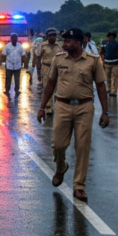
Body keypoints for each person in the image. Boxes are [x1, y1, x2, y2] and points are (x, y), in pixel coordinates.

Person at [37, 27, 108, 202]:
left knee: (82, 147)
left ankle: (79, 187)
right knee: (58, 145)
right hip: (62, 105)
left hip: (85, 107)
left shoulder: (92, 61)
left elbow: (100, 86)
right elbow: (51, 83)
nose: (65, 44)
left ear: (78, 42)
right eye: (64, 41)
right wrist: (42, 107)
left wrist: (105, 112)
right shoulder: (59, 58)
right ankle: (61, 168)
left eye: (68, 41)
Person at [35, 28, 62, 114]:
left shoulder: (59, 46)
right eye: (50, 35)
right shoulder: (42, 45)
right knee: (47, 88)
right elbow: (38, 58)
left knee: (57, 88)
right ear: (47, 36)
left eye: (54, 35)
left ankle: (57, 107)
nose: (52, 37)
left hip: (57, 69)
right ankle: (48, 108)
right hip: (46, 68)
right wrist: (38, 72)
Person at [101, 31, 118, 97]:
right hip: (109, 62)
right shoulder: (106, 42)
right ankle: (111, 90)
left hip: (112, 63)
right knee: (110, 77)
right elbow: (102, 52)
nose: (109, 38)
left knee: (112, 77)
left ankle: (112, 91)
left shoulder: (116, 43)